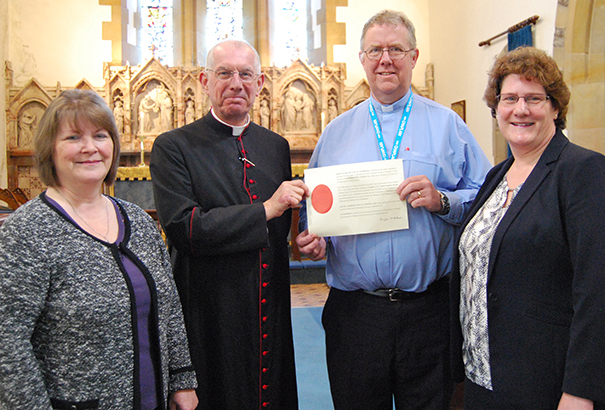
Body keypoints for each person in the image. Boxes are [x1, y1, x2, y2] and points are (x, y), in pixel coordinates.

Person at [296, 9, 491, 410]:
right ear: (363, 58)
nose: (386, 59)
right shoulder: (334, 135)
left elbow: (489, 199)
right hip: (356, 314)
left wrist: (443, 201)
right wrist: (312, 238)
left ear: (414, 57)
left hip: (428, 313)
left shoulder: (448, 126)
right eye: (376, 50)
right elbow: (312, 214)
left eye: (396, 49)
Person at [0, 89, 198, 409]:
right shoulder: (27, 232)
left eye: (100, 135)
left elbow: (169, 307)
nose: (90, 148)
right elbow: (7, 343)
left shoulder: (137, 220)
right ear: (50, 149)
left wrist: (182, 379)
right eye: (73, 137)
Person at [150, 39, 309, 409]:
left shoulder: (275, 147)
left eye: (245, 74)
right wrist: (265, 209)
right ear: (204, 81)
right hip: (211, 313)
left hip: (269, 306)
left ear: (260, 82)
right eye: (224, 73)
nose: (236, 83)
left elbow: (283, 227)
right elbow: (184, 227)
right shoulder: (174, 147)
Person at [451, 46, 605, 410]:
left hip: (544, 383)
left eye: (534, 98)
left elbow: (596, 286)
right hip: (482, 377)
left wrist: (581, 389)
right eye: (510, 98)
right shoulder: (496, 176)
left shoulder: (582, 171)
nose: (520, 109)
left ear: (555, 107)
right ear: (496, 108)